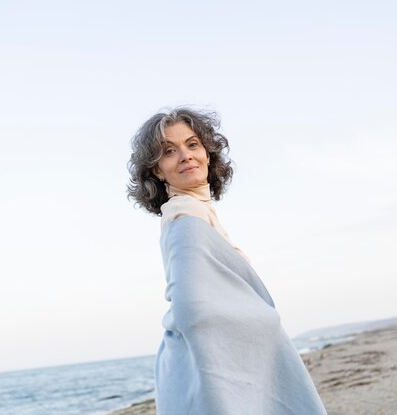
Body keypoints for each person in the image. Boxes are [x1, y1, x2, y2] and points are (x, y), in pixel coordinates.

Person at [127, 107, 327, 415]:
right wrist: (265, 320)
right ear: (156, 169)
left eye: (192, 144)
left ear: (207, 153)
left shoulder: (196, 212)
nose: (185, 155)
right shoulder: (186, 216)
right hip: (211, 372)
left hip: (206, 366)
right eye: (169, 151)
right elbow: (191, 310)